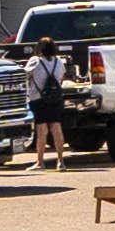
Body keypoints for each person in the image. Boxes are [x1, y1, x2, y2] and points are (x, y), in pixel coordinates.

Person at [27, 34, 76, 167]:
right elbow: (61, 78)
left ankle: (40, 162)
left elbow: (25, 75)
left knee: (42, 131)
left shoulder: (35, 61)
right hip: (56, 99)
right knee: (56, 128)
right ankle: (61, 161)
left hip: (38, 99)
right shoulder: (58, 62)